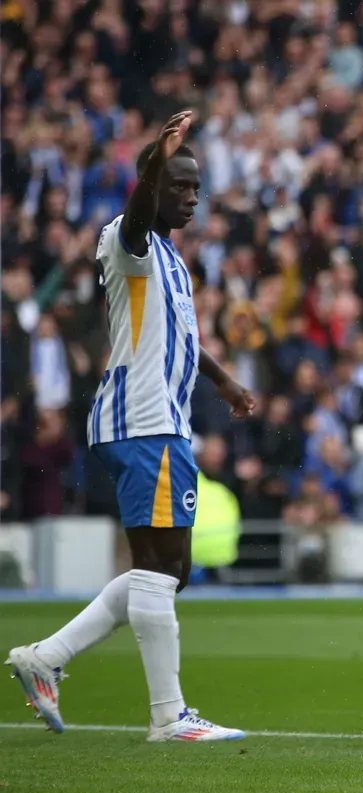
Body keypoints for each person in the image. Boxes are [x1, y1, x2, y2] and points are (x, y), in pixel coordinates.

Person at [6, 111, 255, 743]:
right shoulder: (130, 236)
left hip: (155, 421)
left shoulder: (170, 257)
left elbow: (179, 337)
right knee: (158, 566)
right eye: (179, 185)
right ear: (151, 183)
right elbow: (141, 215)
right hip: (141, 421)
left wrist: (222, 381)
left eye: (196, 187)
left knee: (171, 568)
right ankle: (168, 717)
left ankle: (47, 656)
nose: (190, 197)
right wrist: (151, 166)